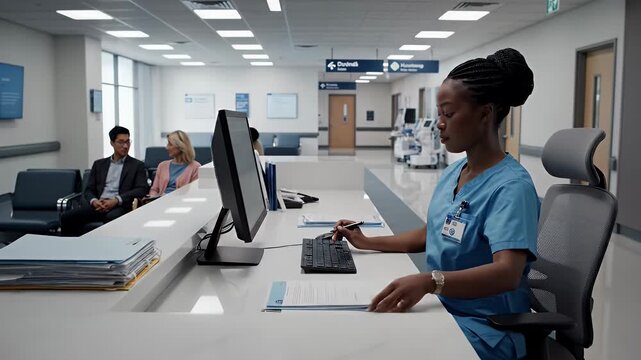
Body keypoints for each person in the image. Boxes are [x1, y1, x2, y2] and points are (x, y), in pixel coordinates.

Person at [333, 48, 539, 360]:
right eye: (439, 114)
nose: (440, 124)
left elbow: (507, 273)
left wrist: (431, 281)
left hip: (486, 328)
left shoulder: (511, 187)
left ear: (485, 113)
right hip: (444, 309)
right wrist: (368, 241)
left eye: (449, 114)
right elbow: (432, 233)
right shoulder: (455, 172)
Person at [61, 126, 148, 236]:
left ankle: (109, 250)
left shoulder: (137, 165)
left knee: (111, 218)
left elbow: (142, 189)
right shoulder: (99, 164)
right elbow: (88, 190)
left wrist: (116, 200)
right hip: (99, 205)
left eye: (127, 142)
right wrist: (94, 201)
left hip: (120, 206)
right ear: (112, 143)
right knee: (67, 217)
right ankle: (72, 249)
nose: (125, 146)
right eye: (121, 142)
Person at [147, 130, 200, 196]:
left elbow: (194, 194)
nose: (167, 147)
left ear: (181, 147)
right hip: (161, 202)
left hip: (182, 204)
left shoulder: (195, 167)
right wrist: (153, 199)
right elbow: (154, 190)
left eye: (170, 144)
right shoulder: (162, 165)